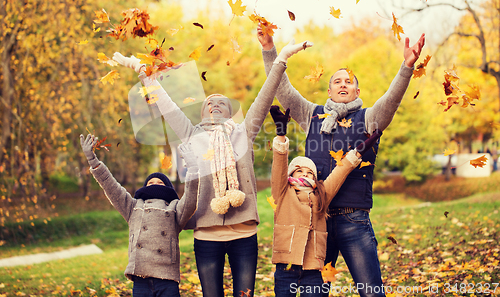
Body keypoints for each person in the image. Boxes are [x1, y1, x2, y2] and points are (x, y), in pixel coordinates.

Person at [112, 36, 312, 297]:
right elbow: (166, 105)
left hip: (244, 233)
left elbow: (265, 94)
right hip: (206, 236)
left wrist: (281, 58)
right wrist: (144, 75)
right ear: (202, 112)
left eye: (222, 103)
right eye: (210, 103)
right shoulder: (191, 134)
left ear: (230, 112)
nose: (215, 104)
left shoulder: (244, 133)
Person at [258, 29, 425, 297]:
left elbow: (391, 101)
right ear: (329, 89)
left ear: (357, 90)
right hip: (316, 219)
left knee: (370, 291)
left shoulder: (369, 118)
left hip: (353, 219)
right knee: (316, 292)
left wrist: (406, 67)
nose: (343, 84)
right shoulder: (311, 115)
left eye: (349, 81)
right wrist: (269, 50)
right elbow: (283, 90)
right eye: (337, 81)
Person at [268, 105, 382, 297]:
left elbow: (340, 171)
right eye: (299, 171)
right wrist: (281, 134)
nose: (305, 174)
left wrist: (358, 152)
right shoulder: (283, 192)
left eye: (309, 173)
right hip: (286, 264)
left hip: (314, 266)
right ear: (290, 175)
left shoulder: (320, 194)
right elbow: (279, 163)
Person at [79, 134, 199, 297]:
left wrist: (193, 170)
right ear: (144, 187)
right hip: (140, 279)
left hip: (167, 278)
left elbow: (191, 199)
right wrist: (93, 160)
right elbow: (111, 187)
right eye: (151, 183)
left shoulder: (175, 208)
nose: (155, 185)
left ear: (168, 188)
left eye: (160, 183)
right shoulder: (133, 206)